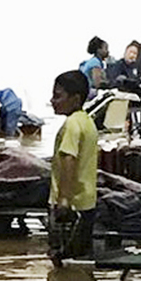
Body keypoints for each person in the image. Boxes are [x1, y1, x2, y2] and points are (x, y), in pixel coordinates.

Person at [48, 70, 98, 264]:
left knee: (62, 261)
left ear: (75, 99)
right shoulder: (87, 121)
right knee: (80, 260)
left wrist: (64, 200)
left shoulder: (72, 125)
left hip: (71, 205)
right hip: (87, 203)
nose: (52, 101)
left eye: (58, 96)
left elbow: (69, 160)